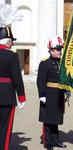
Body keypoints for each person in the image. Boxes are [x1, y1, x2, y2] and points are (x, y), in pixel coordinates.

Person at [0, 3, 26, 150]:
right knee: (5, 127)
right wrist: (21, 96)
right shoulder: (12, 56)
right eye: (11, 41)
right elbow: (17, 77)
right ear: (7, 41)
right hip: (7, 95)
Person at [37, 36, 69, 150]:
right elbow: (40, 80)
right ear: (51, 51)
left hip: (59, 95)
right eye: (58, 50)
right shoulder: (45, 63)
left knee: (56, 119)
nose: (60, 51)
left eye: (60, 49)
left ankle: (56, 140)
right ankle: (48, 143)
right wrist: (42, 95)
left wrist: (66, 90)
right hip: (49, 94)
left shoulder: (61, 63)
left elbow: (64, 78)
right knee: (48, 119)